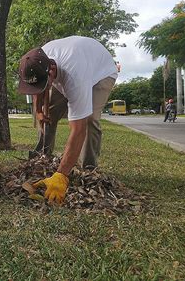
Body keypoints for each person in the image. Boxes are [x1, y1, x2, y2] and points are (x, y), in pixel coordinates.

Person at [18, 36, 118, 204]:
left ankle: (88, 168)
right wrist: (39, 111)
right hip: (72, 64)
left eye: (44, 82)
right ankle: (43, 156)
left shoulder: (75, 77)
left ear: (50, 72)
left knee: (89, 120)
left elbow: (78, 130)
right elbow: (38, 87)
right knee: (50, 113)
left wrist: (61, 175)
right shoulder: (37, 59)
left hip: (101, 72)